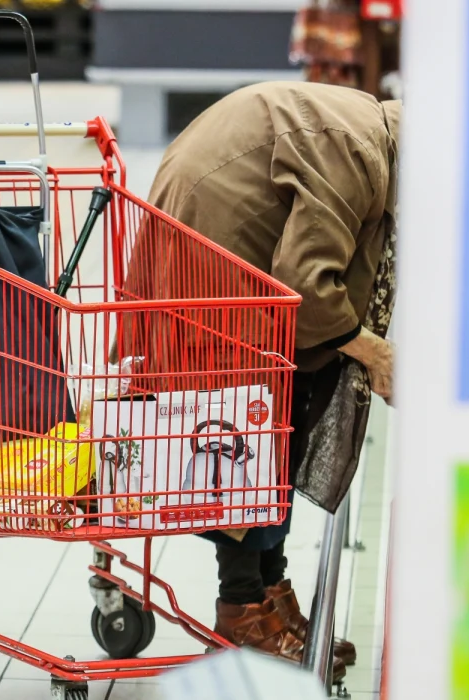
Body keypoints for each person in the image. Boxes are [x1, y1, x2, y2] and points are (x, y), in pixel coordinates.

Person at [121, 82, 400, 677]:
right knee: (243, 433)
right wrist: (373, 352)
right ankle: (243, 611)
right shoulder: (359, 154)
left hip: (214, 243)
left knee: (268, 424)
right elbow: (307, 283)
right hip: (212, 260)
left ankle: (270, 598)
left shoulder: (368, 136)